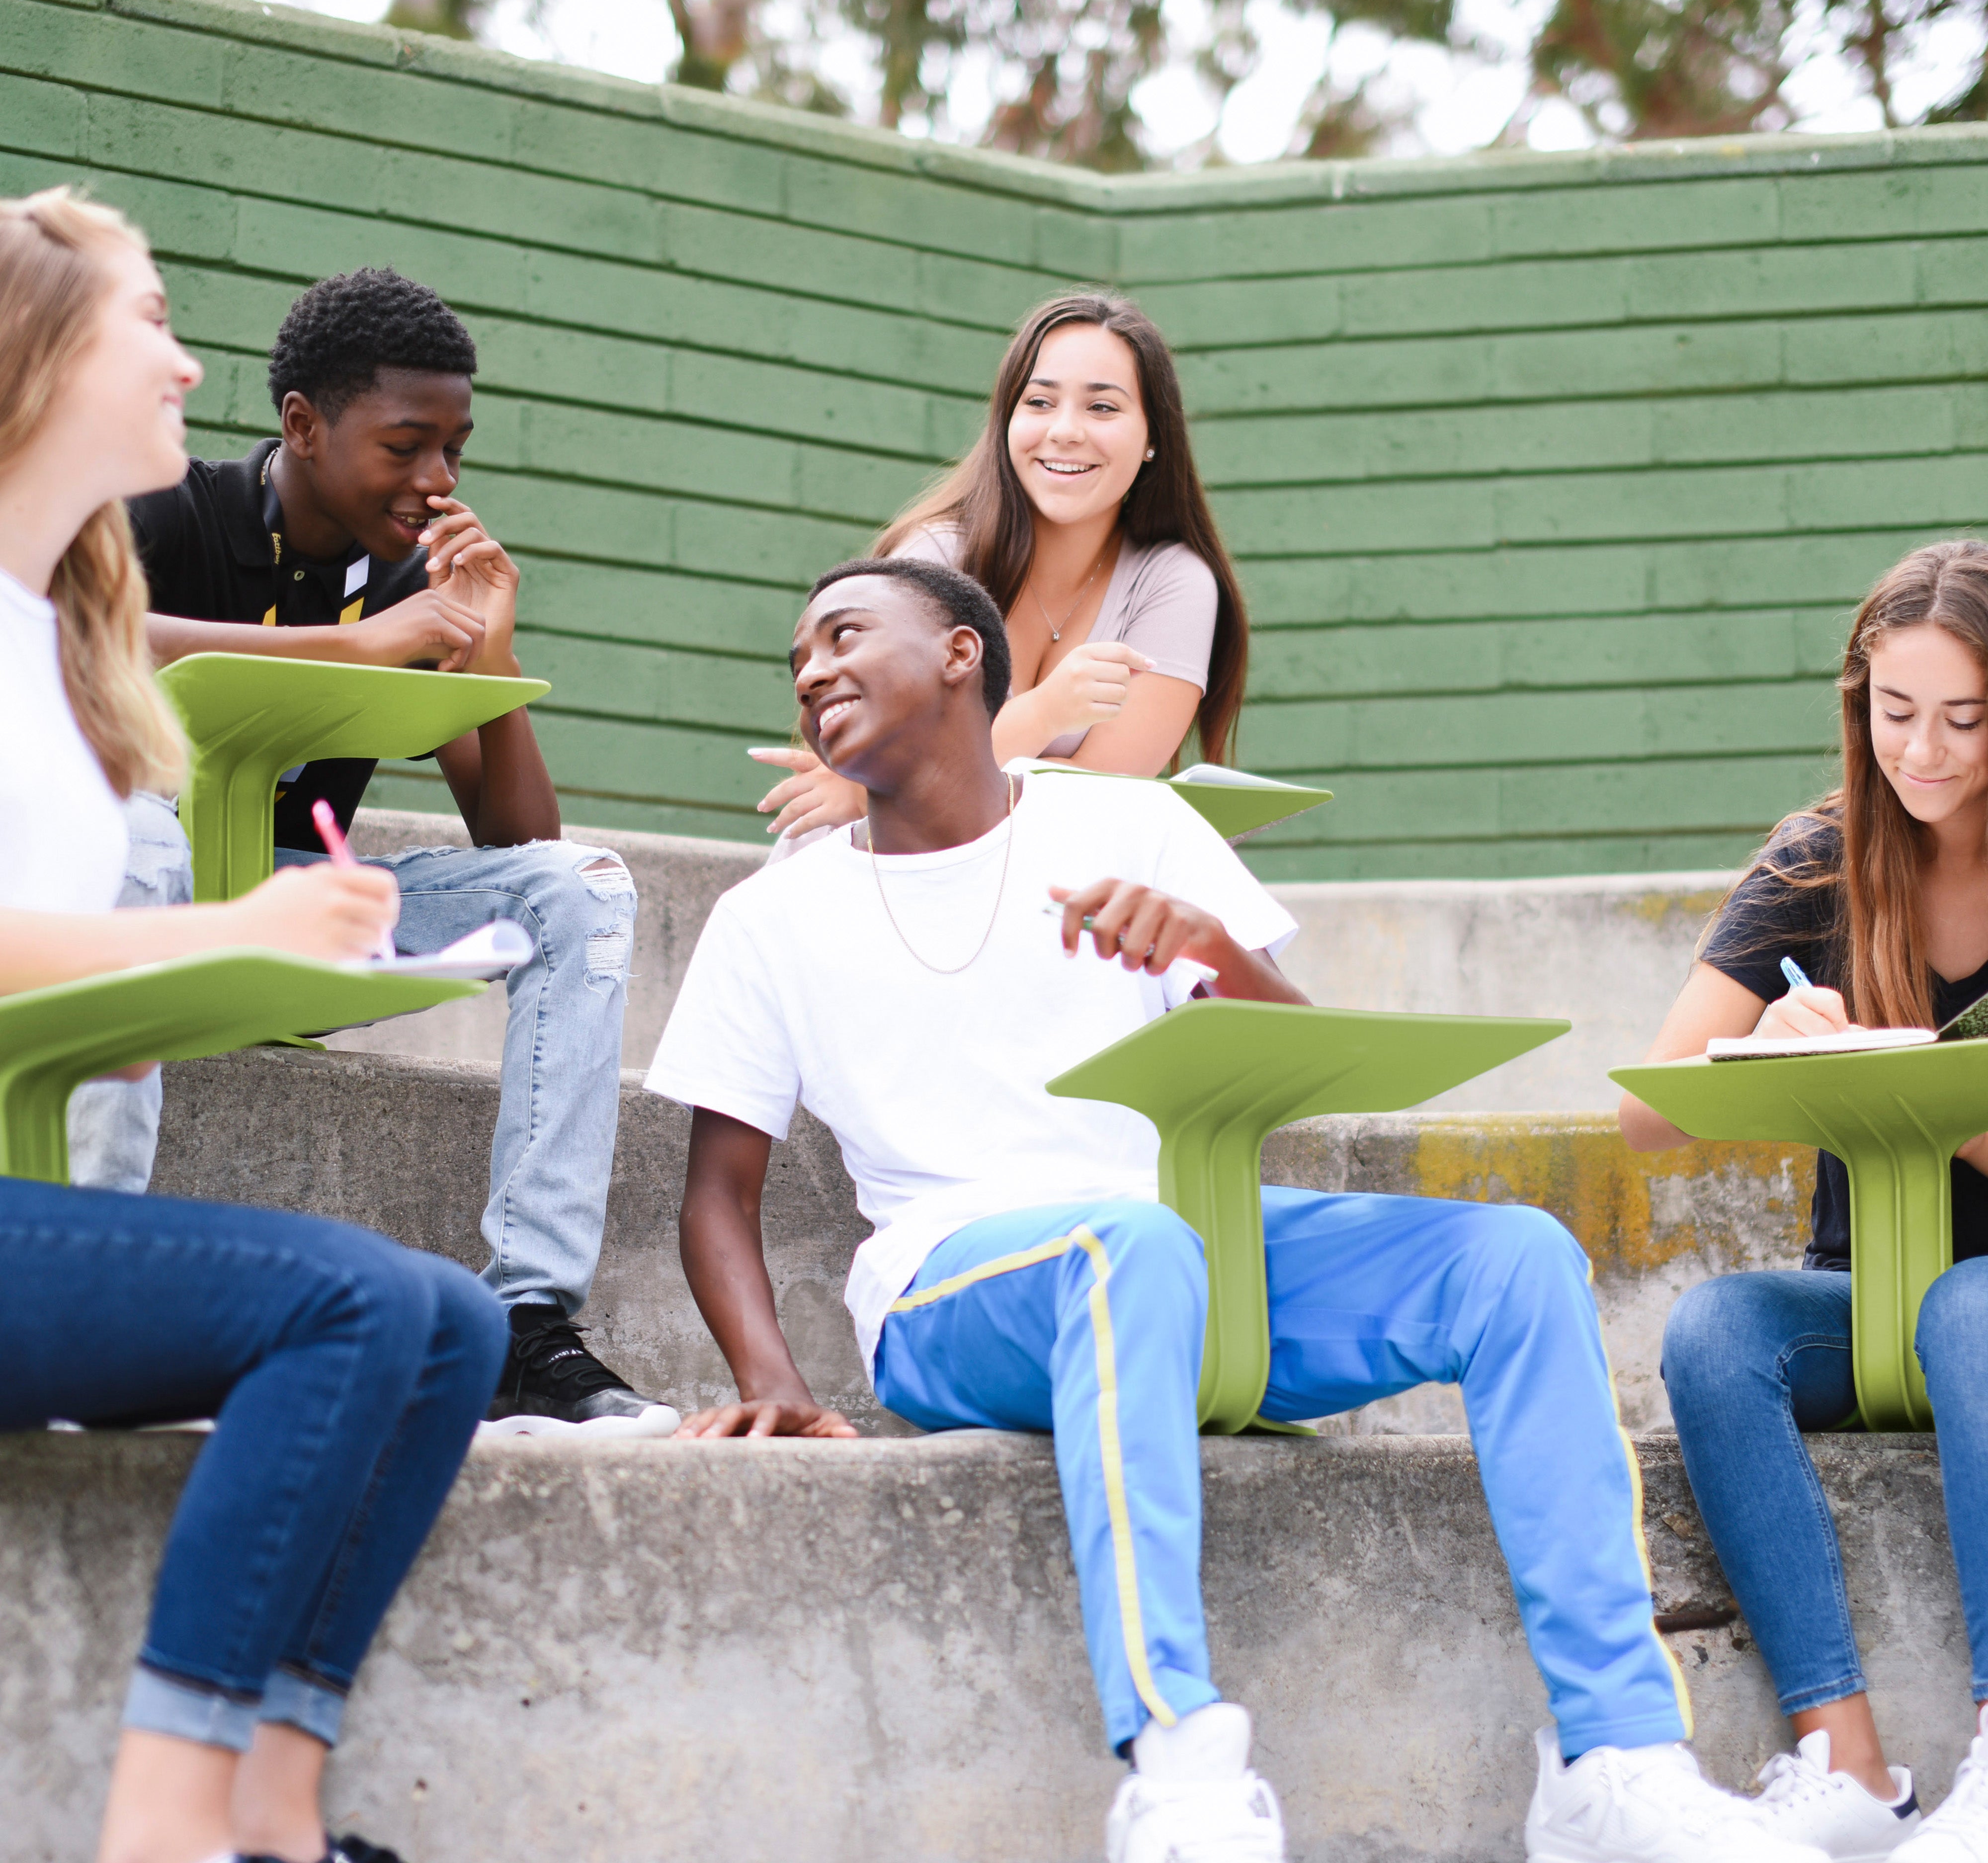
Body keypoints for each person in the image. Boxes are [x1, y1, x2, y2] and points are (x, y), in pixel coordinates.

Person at [647, 554, 1824, 1863]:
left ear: (963, 653)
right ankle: (1179, 1766)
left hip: (1182, 1258)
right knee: (1127, 1244)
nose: (812, 671)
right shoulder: (773, 916)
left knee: (1513, 1258)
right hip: (953, 1293)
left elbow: (1299, 1062)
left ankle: (1619, 1762)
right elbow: (718, 1191)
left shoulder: (1132, 827)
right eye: (798, 658)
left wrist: (1207, 946)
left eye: (844, 635)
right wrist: (771, 1374)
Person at [0, 185, 507, 1863]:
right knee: (353, 1303)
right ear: (36, 354)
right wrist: (234, 929)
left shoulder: (66, 650)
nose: (192, 365)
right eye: (152, 321)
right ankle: (162, 1834)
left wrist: (214, 977)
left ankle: (280, 1819)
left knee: (453, 1325)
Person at [123, 265, 673, 1438]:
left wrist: (486, 659)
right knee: (136, 834)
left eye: (456, 451)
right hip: (137, 909)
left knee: (580, 889)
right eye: (408, 446)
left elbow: (519, 844)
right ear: (303, 424)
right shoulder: (172, 508)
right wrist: (367, 644)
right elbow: (88, 640)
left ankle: (528, 1325)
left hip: (301, 906)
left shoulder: (422, 578)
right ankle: (84, 1284)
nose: (438, 482)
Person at [1627, 538, 1988, 1863]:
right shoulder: (1821, 855)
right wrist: (1774, 1052)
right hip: (1859, 1295)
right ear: (1859, 702)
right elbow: (1648, 1110)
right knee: (1716, 1331)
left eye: (1966, 717)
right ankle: (1848, 1765)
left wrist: (1932, 1094)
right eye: (1898, 714)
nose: (1928, 752)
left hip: (1981, 1304)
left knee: (1971, 1312)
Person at [749, 290, 1248, 844]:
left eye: (1102, 407)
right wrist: (1044, 714)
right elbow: (891, 770)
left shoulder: (1174, 582)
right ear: (1006, 420)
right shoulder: (933, 559)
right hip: (872, 875)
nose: (1065, 431)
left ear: (1154, 435)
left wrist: (906, 775)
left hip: (1038, 887)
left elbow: (1104, 796)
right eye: (1039, 402)